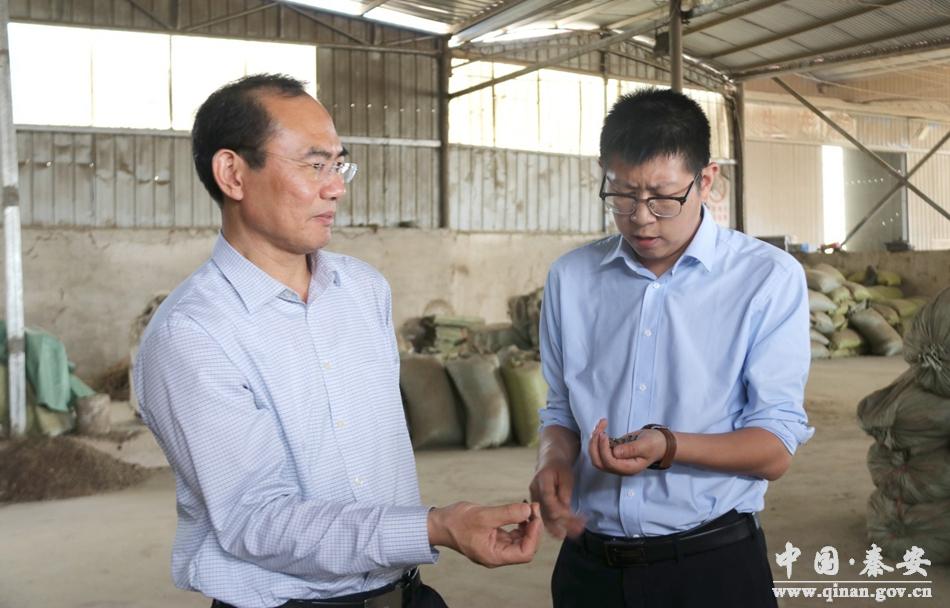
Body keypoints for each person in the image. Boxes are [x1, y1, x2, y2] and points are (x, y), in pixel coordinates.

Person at [133, 73, 541, 608]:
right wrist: (436, 526)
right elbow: (256, 519)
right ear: (233, 173)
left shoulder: (363, 290)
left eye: (339, 165)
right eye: (314, 165)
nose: (336, 187)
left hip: (403, 593)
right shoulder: (193, 333)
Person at [529, 88, 813, 607]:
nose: (641, 217)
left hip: (711, 568)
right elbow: (562, 410)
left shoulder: (766, 279)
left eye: (663, 197)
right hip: (590, 570)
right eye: (622, 194)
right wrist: (554, 462)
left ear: (706, 180)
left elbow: (774, 447)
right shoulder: (571, 278)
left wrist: (668, 447)